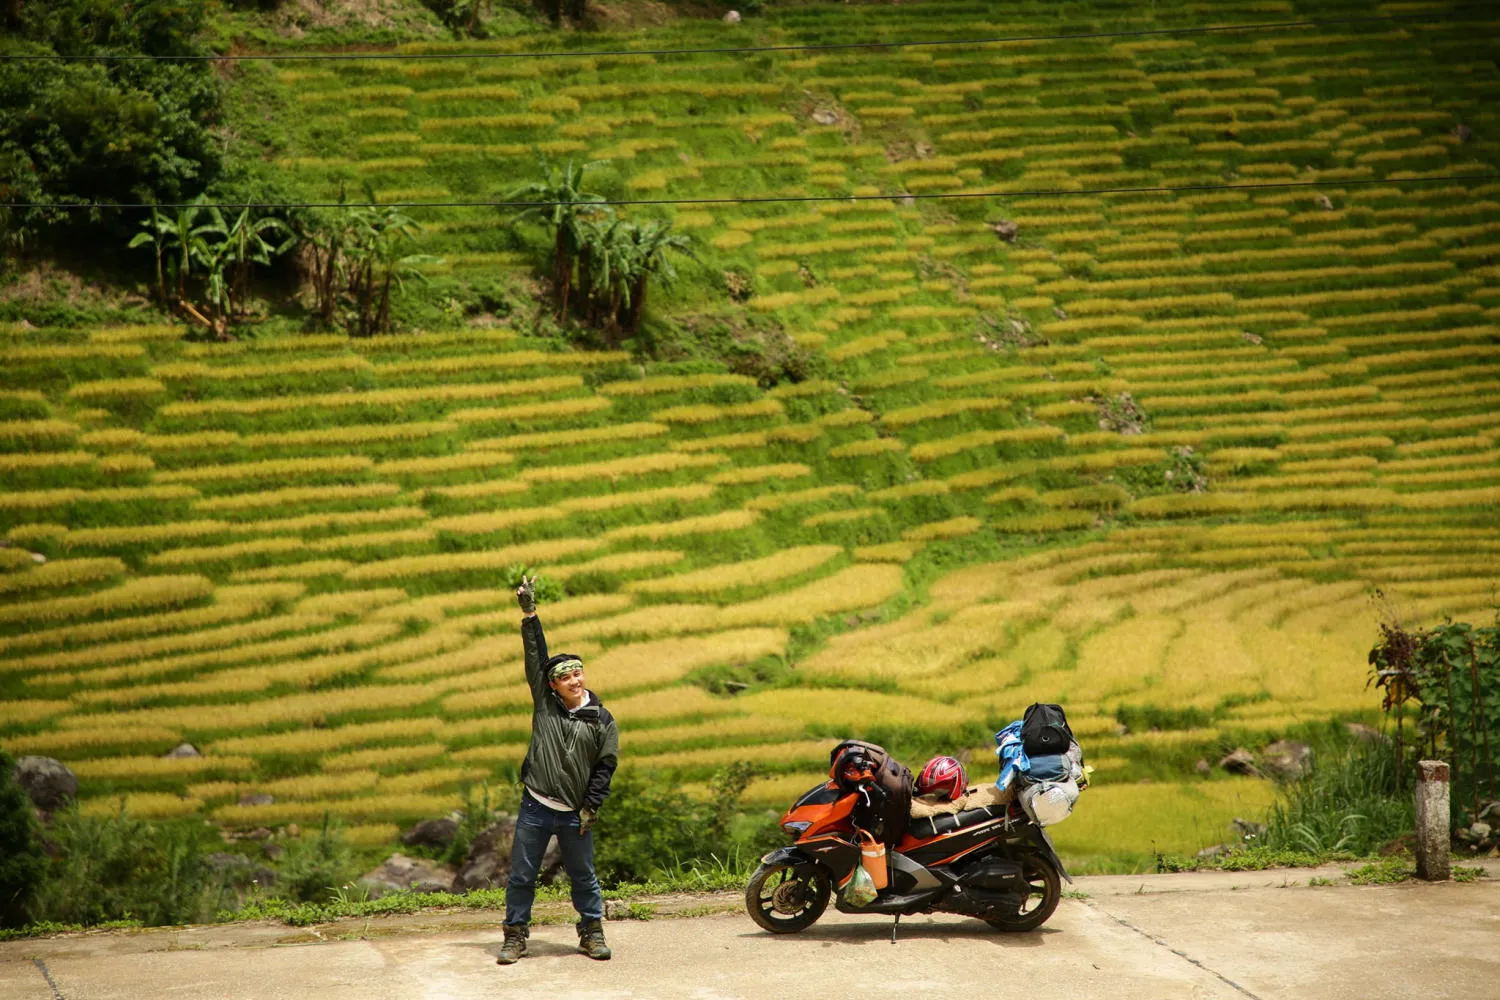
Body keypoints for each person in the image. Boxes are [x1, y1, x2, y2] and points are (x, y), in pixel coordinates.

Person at [497, 575, 620, 965]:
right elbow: (536, 657)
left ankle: (592, 932)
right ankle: (515, 936)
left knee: (583, 876)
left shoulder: (601, 719)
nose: (574, 680)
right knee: (521, 876)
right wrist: (530, 614)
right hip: (535, 806)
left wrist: (591, 807)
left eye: (577, 673)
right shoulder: (546, 706)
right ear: (552, 685)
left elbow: (605, 766)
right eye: (565, 676)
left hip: (574, 813)